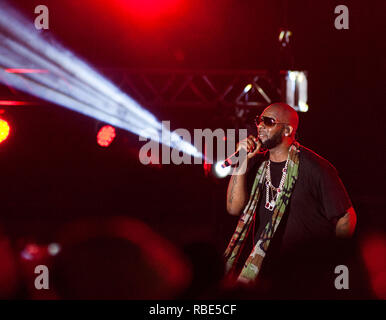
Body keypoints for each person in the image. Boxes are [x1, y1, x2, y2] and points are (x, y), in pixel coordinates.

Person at [224, 102, 357, 298]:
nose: (260, 126)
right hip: (264, 270)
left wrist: (331, 262)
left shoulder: (315, 168)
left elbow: (346, 217)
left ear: (287, 129)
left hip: (305, 276)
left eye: (268, 122)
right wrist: (243, 159)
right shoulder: (258, 165)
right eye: (259, 121)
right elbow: (233, 208)